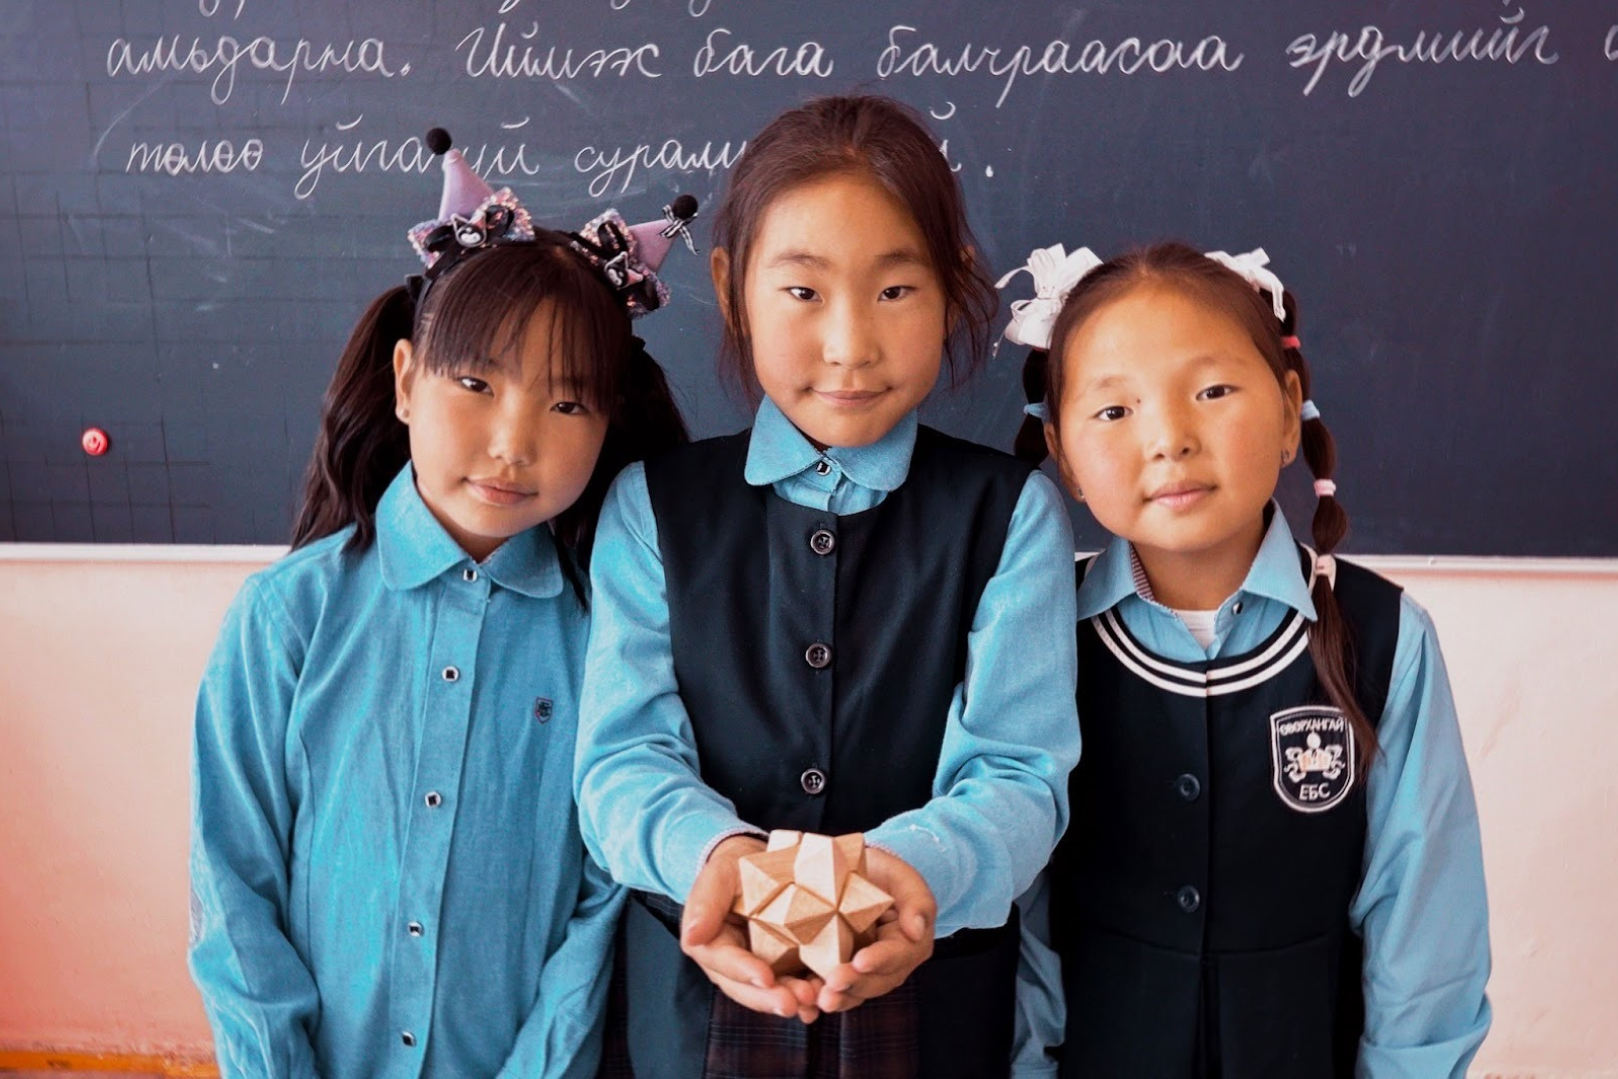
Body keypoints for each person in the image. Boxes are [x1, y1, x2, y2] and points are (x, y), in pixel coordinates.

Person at [574, 94, 1082, 1079]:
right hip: (696, 1013)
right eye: (803, 291)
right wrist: (717, 860)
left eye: (894, 289)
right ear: (731, 290)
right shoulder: (651, 507)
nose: (850, 343)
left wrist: (905, 874)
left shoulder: (1011, 513)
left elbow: (1020, 775)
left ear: (952, 286)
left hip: (933, 1012)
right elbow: (621, 759)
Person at [188, 128, 692, 1078]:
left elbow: (598, 912)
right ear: (406, 382)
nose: (512, 442)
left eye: (567, 403)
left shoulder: (609, 638)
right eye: (475, 382)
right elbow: (232, 883)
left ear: (608, 422)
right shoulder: (287, 615)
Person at [1005, 240, 1492, 1076]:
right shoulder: (1037, 633)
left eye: (1213, 391)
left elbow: (1424, 926)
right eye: (1115, 410)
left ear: (1289, 409)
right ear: (1064, 455)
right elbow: (1024, 924)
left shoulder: (1384, 637)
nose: (1170, 439)